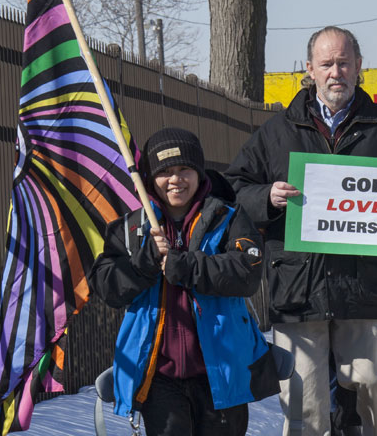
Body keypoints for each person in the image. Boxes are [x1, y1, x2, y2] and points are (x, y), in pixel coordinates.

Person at [225, 26, 377, 436]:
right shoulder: (277, 133)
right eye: (326, 64)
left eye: (344, 63)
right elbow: (233, 190)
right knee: (305, 404)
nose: (336, 72)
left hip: (367, 287)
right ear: (309, 69)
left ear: (359, 66)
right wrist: (266, 197)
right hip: (297, 290)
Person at [88, 127, 280, 436]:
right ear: (150, 178)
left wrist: (188, 266)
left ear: (199, 172)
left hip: (221, 370)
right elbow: (106, 285)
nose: (175, 179)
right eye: (164, 171)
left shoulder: (228, 217)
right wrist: (143, 264)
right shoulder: (129, 228)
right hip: (158, 375)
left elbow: (247, 272)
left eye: (184, 169)